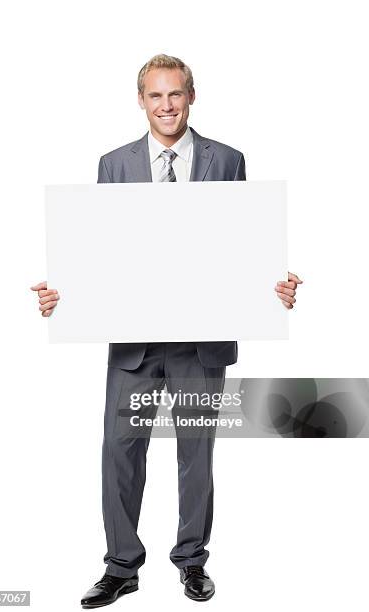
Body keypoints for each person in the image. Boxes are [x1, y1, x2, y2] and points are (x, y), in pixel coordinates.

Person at [31, 54, 302, 608]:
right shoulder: (114, 164)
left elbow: (245, 249)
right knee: (119, 453)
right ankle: (121, 566)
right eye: (155, 96)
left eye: (175, 94)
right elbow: (97, 252)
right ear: (141, 101)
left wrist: (274, 289)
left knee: (195, 454)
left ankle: (192, 562)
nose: (167, 106)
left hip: (200, 343)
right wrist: (65, 296)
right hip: (133, 342)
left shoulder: (228, 160)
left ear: (191, 96)